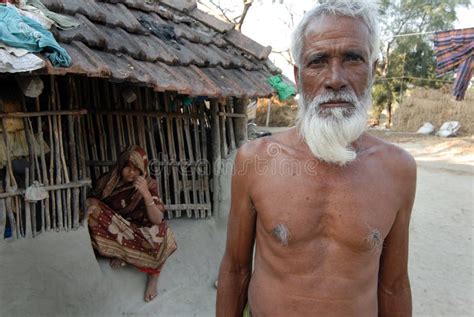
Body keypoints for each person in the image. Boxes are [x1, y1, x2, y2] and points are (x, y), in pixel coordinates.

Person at [216, 1, 416, 316]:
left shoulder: (398, 169)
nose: (335, 78)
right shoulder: (254, 161)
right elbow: (235, 270)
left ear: (372, 70)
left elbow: (394, 285)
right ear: (298, 76)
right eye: (318, 61)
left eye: (352, 58)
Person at [87, 145, 177, 302]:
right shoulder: (108, 181)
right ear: (121, 166)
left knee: (162, 232)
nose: (131, 172)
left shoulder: (148, 185)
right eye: (127, 167)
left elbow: (157, 219)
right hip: (116, 229)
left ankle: (153, 277)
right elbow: (94, 202)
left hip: (137, 230)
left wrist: (146, 194)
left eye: (136, 169)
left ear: (143, 170)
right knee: (91, 206)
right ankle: (119, 253)